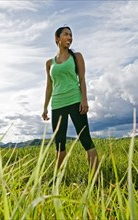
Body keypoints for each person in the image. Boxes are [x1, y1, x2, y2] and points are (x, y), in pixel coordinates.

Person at [42, 26, 99, 173]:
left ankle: (96, 179)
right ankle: (58, 179)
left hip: (75, 101)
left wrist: (84, 100)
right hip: (57, 104)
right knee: (59, 144)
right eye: (66, 34)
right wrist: (45, 108)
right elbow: (49, 86)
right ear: (57, 38)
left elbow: (82, 79)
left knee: (86, 140)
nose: (70, 37)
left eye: (71, 35)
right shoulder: (49, 63)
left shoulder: (77, 56)